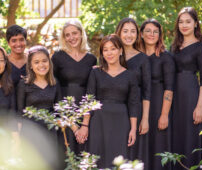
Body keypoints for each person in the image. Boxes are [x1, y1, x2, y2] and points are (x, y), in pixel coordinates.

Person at [87, 34, 139, 168]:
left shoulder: (130, 75)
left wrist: (133, 129)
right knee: (98, 159)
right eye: (105, 50)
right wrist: (85, 126)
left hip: (121, 122)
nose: (109, 53)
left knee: (119, 159)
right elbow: (89, 100)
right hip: (98, 122)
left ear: (121, 50)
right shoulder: (95, 73)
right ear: (102, 53)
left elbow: (133, 103)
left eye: (113, 49)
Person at [51, 20, 97, 154]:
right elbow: (54, 87)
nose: (71, 38)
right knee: (66, 152)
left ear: (81, 33)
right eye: (67, 35)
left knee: (84, 154)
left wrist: (84, 124)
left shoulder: (91, 59)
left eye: (74, 33)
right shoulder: (58, 57)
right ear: (63, 38)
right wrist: (72, 124)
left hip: (85, 112)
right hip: (64, 110)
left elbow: (92, 90)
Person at [171, 7, 202, 169]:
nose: (184, 25)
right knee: (176, 136)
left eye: (188, 21)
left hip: (191, 96)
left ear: (195, 24)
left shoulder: (199, 47)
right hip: (174, 96)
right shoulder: (174, 45)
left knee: (190, 136)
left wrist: (200, 106)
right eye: (181, 21)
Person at [16, 45, 62, 170]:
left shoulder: (55, 83)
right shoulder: (24, 84)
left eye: (44, 61)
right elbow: (20, 112)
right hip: (30, 132)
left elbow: (59, 110)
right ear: (30, 65)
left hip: (50, 132)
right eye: (36, 62)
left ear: (49, 62)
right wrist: (18, 139)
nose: (41, 65)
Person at [139, 19, 175, 170]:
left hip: (159, 105)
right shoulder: (136, 56)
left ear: (160, 35)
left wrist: (164, 115)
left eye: (155, 31)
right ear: (141, 34)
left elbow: (169, 88)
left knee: (158, 146)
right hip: (139, 104)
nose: (151, 34)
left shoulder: (165, 57)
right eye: (148, 31)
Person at [115, 18, 151, 168]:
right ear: (119, 32)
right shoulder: (111, 54)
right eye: (125, 31)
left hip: (137, 109)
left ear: (137, 34)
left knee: (135, 151)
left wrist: (145, 118)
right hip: (116, 109)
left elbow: (147, 91)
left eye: (133, 31)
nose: (129, 35)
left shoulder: (143, 58)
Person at [6, 24, 27, 89]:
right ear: (8, 43)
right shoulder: (3, 62)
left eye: (21, 40)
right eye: (14, 41)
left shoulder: (33, 61)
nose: (18, 44)